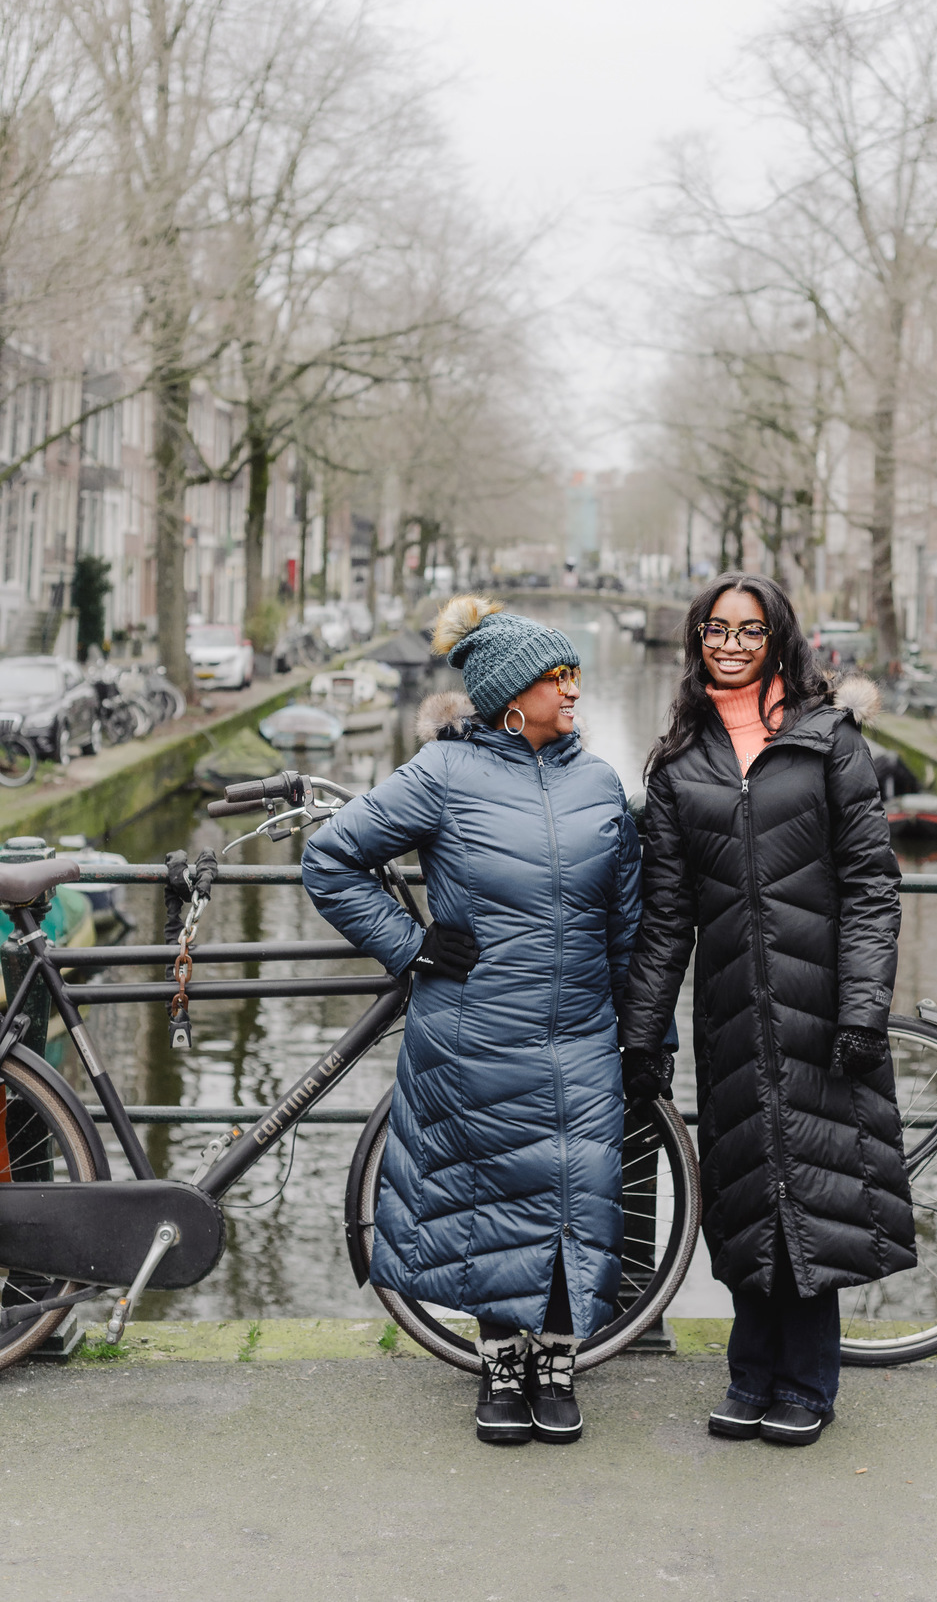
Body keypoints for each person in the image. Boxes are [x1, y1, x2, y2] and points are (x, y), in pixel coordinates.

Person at [302, 597, 641, 1447]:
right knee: (486, 1201)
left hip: (582, 1036)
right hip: (475, 1034)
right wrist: (410, 946)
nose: (572, 692)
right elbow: (332, 858)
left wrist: (646, 1038)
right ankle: (500, 1365)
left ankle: (558, 1360)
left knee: (576, 1198)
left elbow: (629, 925)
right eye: (557, 678)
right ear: (510, 694)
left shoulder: (600, 782)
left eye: (573, 677)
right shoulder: (442, 774)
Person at [619, 572, 916, 1448]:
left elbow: (870, 886)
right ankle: (749, 1375)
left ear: (779, 638)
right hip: (732, 1015)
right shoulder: (680, 765)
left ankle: (807, 1382)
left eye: (751, 631)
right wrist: (644, 1032)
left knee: (817, 1187)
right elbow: (666, 913)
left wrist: (864, 1006)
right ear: (698, 640)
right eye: (718, 629)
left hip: (824, 1011)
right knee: (748, 1191)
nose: (734, 644)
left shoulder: (830, 744)